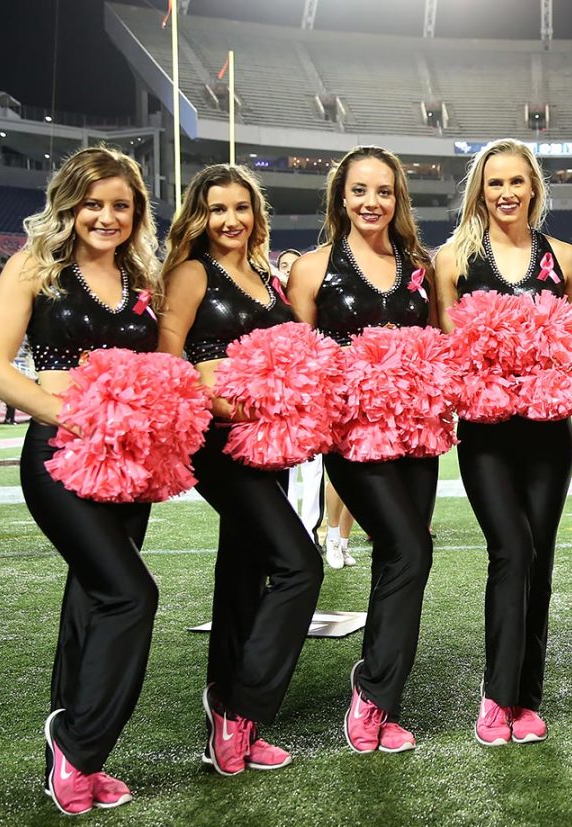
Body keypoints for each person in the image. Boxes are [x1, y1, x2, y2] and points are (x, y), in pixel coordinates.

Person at [0, 146, 162, 814]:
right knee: (131, 595)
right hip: (62, 452)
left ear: (136, 210)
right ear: (69, 204)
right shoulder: (36, 267)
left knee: (91, 600)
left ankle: (74, 762)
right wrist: (73, 415)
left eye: (120, 204)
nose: (106, 216)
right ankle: (79, 744)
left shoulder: (144, 275)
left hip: (132, 461)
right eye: (93, 203)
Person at [159, 164, 323, 776]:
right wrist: (226, 400)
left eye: (241, 208)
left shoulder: (266, 279)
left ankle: (224, 710)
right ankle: (243, 710)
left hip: (268, 443)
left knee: (242, 575)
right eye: (216, 209)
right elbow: (166, 360)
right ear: (197, 217)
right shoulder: (190, 273)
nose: (230, 220)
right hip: (220, 441)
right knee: (298, 565)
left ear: (257, 214)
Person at [290, 146, 438, 753]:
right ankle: (372, 693)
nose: (371, 202)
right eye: (359, 191)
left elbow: (433, 340)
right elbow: (296, 356)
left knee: (403, 555)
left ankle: (380, 696)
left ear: (398, 198)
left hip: (416, 434)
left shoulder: (419, 265)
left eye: (383, 191)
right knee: (409, 548)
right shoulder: (312, 268)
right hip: (352, 434)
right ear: (341, 197)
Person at [434, 138, 572, 746]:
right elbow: (450, 348)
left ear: (534, 188)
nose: (507, 193)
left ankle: (528, 696)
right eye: (495, 183)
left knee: (539, 561)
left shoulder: (567, 258)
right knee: (511, 552)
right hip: (488, 433)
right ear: (480, 191)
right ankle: (497, 696)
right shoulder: (452, 259)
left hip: (548, 432)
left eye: (518, 182)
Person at [277, 248, 326, 548]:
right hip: (282, 396)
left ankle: (310, 530)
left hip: (310, 395)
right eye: (283, 265)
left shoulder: (307, 289)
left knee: (312, 469)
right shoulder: (270, 291)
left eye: (292, 264)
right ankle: (288, 528)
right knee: (287, 472)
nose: (288, 268)